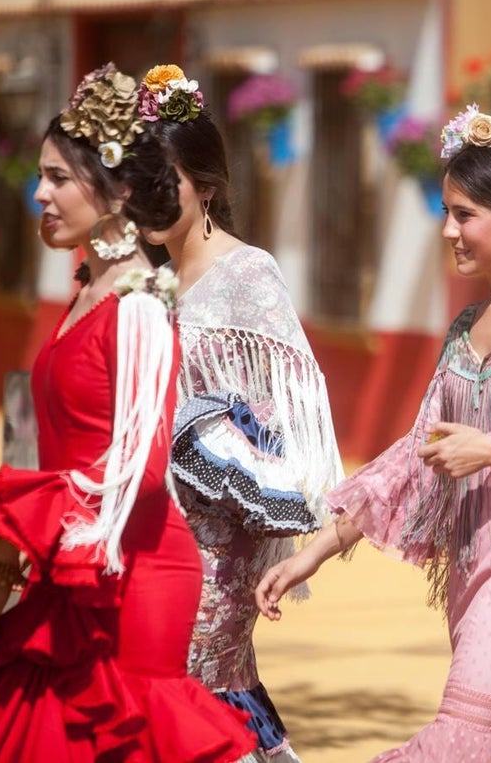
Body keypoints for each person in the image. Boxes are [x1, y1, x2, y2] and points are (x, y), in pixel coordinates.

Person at [255, 104, 491, 761]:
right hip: (471, 570)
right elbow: (417, 456)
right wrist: (315, 549)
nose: (447, 230)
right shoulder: (467, 326)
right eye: (447, 212)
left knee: (464, 732)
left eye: (464, 214)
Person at [0, 63, 256, 762]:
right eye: (40, 176)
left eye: (58, 178)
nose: (38, 193)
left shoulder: (137, 305)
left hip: (134, 572)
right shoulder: (88, 297)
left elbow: (142, 467)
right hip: (78, 560)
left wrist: (9, 507)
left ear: (119, 190)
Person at [134, 64, 343, 763]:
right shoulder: (144, 281)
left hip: (217, 545)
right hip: (143, 534)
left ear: (207, 185)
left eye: (165, 181)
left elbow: (286, 413)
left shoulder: (248, 273)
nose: (147, 198)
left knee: (199, 688)